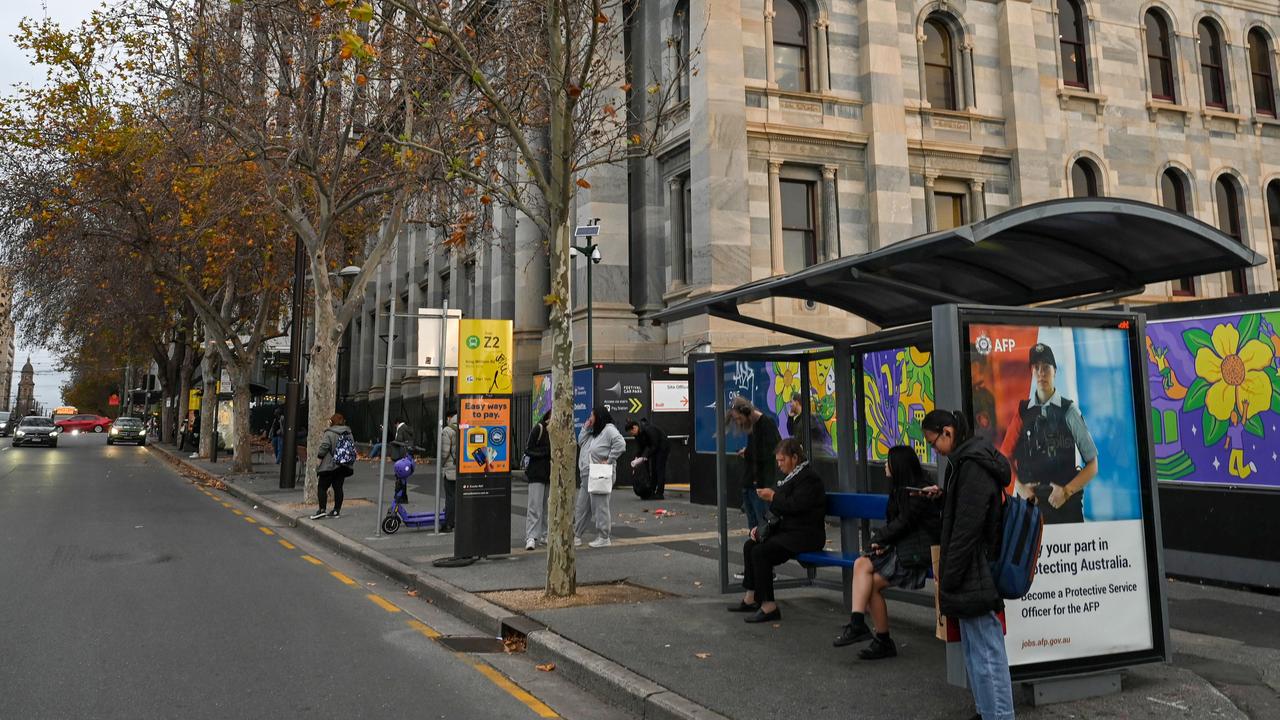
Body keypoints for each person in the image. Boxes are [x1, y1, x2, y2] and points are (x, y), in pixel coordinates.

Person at [921, 409, 1014, 720]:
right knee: (977, 650)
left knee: (986, 652)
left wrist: (948, 576)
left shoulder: (971, 464)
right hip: (972, 566)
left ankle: (998, 715)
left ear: (948, 431)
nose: (934, 450)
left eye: (934, 443)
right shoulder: (966, 461)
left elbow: (967, 527)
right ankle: (988, 711)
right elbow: (968, 507)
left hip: (974, 568)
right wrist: (945, 496)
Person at [834, 445, 941, 659]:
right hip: (899, 547)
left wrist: (879, 540)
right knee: (860, 564)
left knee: (871, 585)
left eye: (888, 462)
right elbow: (896, 523)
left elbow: (904, 522)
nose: (884, 465)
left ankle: (880, 638)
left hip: (915, 554)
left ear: (898, 466)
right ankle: (859, 625)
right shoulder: (899, 488)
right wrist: (881, 543)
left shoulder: (921, 491)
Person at [727, 438, 826, 623]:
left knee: (761, 552)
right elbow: (782, 508)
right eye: (778, 461)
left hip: (806, 535)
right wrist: (762, 527)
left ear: (795, 458)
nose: (779, 465)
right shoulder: (792, 477)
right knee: (751, 546)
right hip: (791, 531)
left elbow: (796, 506)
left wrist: (773, 496)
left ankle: (768, 606)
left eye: (782, 460)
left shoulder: (809, 478)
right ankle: (751, 597)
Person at [998, 342, 1098, 524]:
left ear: (1055, 371)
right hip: (1031, 506)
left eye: (1046, 367)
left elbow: (1093, 464)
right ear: (1031, 371)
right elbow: (1004, 457)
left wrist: (1066, 492)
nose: (1041, 372)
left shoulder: (1069, 410)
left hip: (1066, 508)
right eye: (1036, 367)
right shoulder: (1023, 411)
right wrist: (1020, 487)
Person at [574, 406, 626, 548]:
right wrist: (586, 426)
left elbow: (621, 444)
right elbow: (580, 441)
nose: (590, 418)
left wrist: (609, 459)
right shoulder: (594, 432)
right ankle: (576, 535)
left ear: (599, 416)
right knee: (581, 507)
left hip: (599, 474)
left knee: (600, 506)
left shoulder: (609, 429)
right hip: (587, 475)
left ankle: (604, 536)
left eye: (592, 415)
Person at [728, 396, 781, 531]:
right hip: (751, 481)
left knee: (762, 525)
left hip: (760, 483)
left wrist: (748, 453)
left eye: (739, 418)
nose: (739, 423)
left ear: (747, 413)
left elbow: (771, 452)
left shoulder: (766, 424)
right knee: (753, 526)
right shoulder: (753, 426)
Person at [312, 413, 355, 520]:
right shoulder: (348, 433)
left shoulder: (329, 433)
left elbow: (324, 446)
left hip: (329, 465)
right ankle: (336, 510)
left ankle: (322, 509)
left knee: (322, 487)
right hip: (343, 465)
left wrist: (319, 459)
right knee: (338, 487)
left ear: (332, 422)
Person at [524, 408, 552, 550]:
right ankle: (531, 536)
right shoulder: (539, 428)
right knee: (535, 506)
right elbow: (528, 449)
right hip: (537, 473)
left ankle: (546, 535)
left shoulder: (559, 432)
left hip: (550, 474)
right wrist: (545, 452)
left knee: (548, 507)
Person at [626, 418, 670, 500]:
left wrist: (645, 455)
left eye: (631, 432)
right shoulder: (637, 434)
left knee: (659, 469)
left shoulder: (648, 429)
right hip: (653, 449)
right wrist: (638, 457)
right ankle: (651, 491)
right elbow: (640, 448)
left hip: (662, 446)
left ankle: (660, 493)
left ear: (635, 427)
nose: (631, 434)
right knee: (653, 469)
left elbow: (654, 444)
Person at [440, 409, 459, 532]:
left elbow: (444, 452)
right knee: (459, 497)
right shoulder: (465, 427)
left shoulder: (447, 431)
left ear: (449, 417)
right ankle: (457, 521)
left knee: (450, 497)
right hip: (463, 469)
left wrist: (442, 464)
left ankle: (448, 523)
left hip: (450, 469)